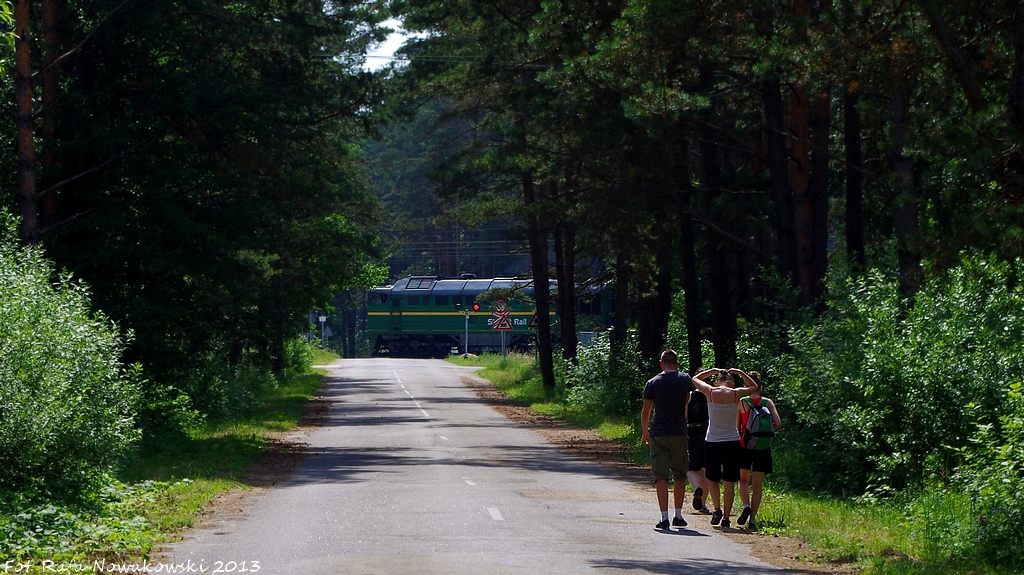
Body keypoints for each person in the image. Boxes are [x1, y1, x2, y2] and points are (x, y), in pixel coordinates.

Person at [691, 367, 760, 529]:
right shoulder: (736, 394)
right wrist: (742, 373)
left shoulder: (710, 391)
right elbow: (755, 387)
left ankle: (717, 509)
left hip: (712, 441)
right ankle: (727, 518)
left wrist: (712, 370)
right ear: (731, 381)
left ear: (717, 381)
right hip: (731, 441)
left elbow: (694, 379)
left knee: (712, 479)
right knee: (729, 482)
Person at [641, 350, 694, 530]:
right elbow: (686, 401)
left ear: (661, 362)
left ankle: (664, 518)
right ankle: (678, 515)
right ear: (676, 363)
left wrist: (644, 431)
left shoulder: (653, 383)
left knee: (661, 476)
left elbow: (646, 410)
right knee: (679, 474)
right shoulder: (685, 379)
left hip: (659, 433)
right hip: (679, 432)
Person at [735, 371, 782, 531]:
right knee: (757, 485)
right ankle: (753, 519)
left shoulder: (742, 401)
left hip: (745, 446)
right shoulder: (768, 402)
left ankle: (746, 505)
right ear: (760, 387)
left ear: (746, 386)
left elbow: (737, 427)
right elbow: (778, 423)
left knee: (743, 481)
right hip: (763, 447)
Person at [685, 385, 712, 514]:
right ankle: (702, 504)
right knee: (705, 471)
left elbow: (684, 415)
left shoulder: (690, 395)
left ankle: (697, 487)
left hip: (692, 434)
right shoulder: (712, 395)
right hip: (709, 434)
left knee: (690, 469)